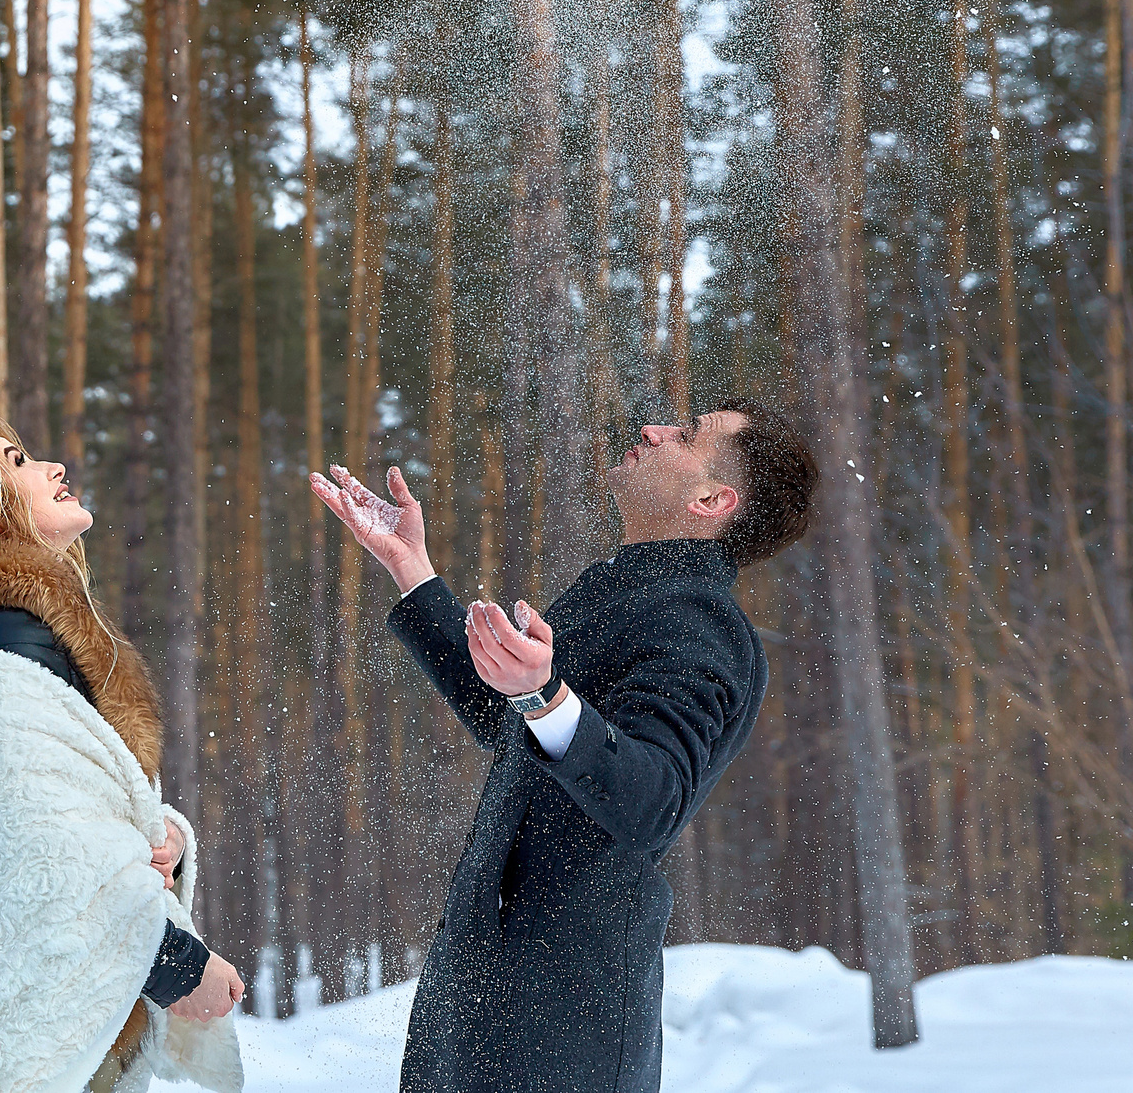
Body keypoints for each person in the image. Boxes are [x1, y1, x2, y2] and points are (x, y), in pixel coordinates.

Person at [308, 402, 814, 1093]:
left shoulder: (700, 620)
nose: (654, 430)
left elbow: (652, 801)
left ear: (711, 500)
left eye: (687, 435)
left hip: (566, 1014)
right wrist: (413, 570)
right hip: (487, 983)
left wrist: (545, 696)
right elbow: (509, 719)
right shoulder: (631, 589)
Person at [0, 412, 244, 1093]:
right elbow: (35, 852)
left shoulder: (9, 631)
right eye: (16, 461)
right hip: (6, 1056)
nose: (53, 466)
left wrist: (164, 837)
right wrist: (177, 966)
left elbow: (71, 804)